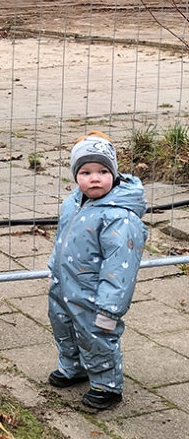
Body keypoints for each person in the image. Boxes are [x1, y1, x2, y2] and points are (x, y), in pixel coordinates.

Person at [47, 132, 148, 411]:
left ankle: (107, 384)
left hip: (96, 295)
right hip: (64, 284)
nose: (95, 178)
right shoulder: (72, 204)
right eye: (86, 172)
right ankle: (73, 366)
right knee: (63, 326)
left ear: (114, 174)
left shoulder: (119, 217)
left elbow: (120, 266)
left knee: (97, 335)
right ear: (75, 175)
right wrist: (52, 270)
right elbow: (61, 241)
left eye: (103, 171)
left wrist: (110, 308)